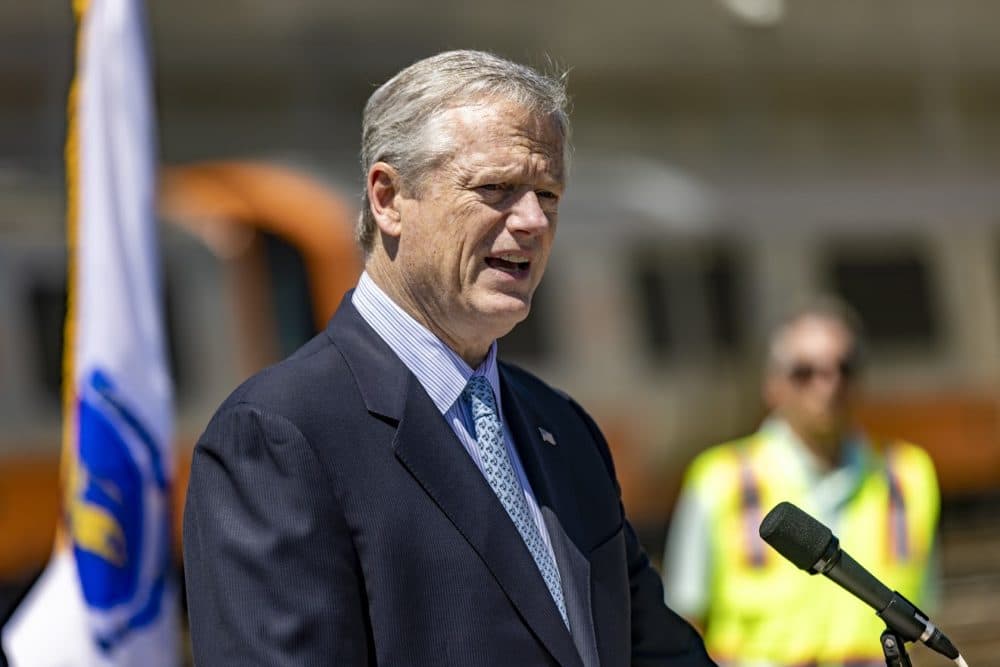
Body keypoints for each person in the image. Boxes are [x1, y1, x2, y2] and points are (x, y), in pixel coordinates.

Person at [183, 50, 715, 667]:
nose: (534, 221)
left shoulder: (563, 429)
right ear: (388, 198)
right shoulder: (278, 436)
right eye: (496, 189)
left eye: (549, 194)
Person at [662, 298, 940, 666]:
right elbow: (682, 622)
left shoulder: (908, 475)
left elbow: (925, 617)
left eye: (844, 367)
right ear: (773, 386)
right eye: (805, 372)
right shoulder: (719, 478)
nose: (828, 385)